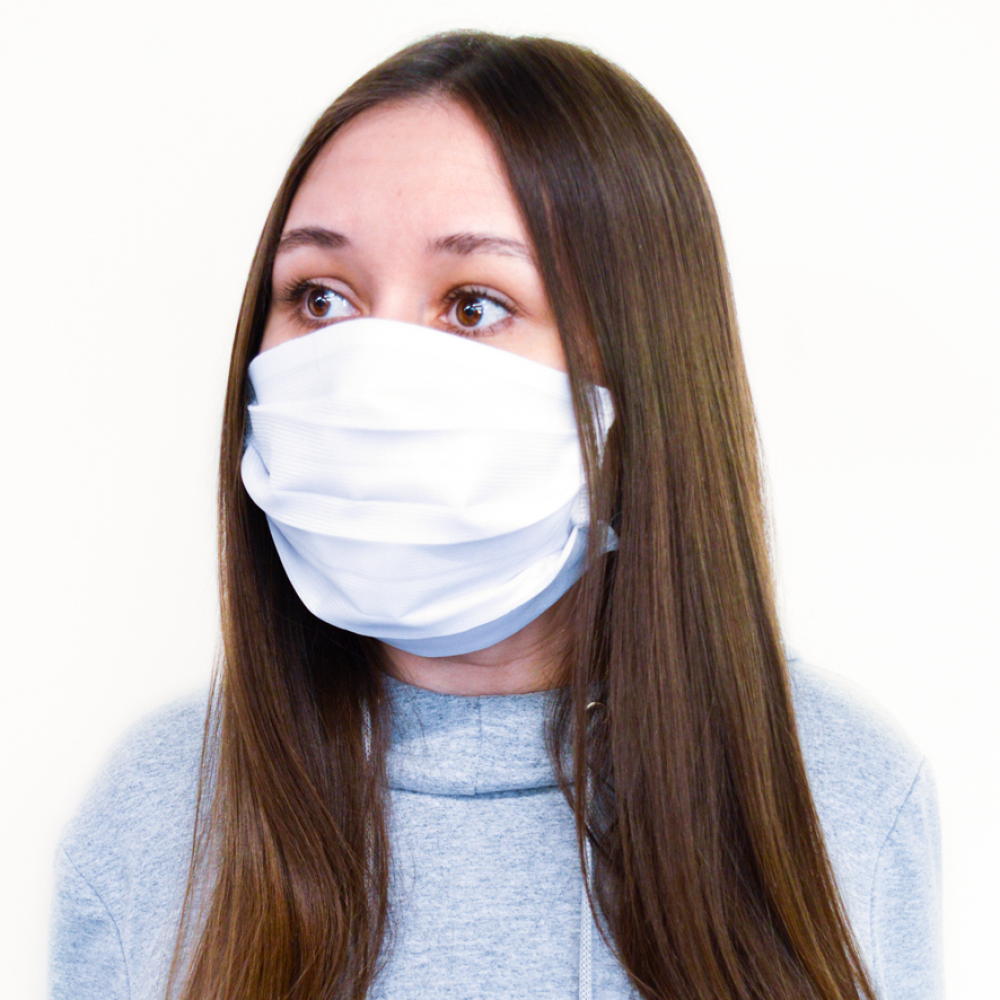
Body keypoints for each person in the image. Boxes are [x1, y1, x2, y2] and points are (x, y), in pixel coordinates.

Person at [48, 31, 942, 1000]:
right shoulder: (154, 815)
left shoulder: (838, 794)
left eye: (472, 305)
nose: (369, 378)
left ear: (640, 367)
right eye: (321, 297)